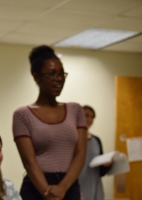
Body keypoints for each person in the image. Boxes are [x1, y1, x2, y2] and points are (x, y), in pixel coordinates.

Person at [12, 45, 87, 200]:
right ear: (36, 77)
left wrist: (62, 188)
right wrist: (49, 193)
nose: (59, 79)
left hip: (69, 186)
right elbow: (29, 161)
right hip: (37, 187)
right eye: (52, 74)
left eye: (61, 74)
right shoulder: (22, 115)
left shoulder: (76, 110)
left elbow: (80, 153)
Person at [78, 105, 112, 200]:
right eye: (86, 115)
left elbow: (100, 171)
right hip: (77, 186)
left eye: (92, 117)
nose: (89, 119)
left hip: (95, 188)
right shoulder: (72, 140)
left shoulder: (96, 140)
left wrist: (107, 165)